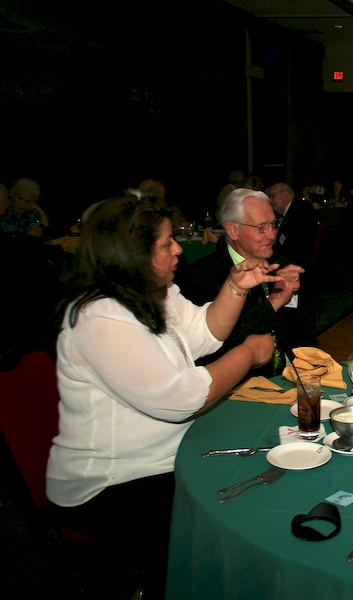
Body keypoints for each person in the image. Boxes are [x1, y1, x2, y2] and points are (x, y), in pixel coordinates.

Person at [47, 195, 278, 597]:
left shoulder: (155, 291)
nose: (178, 250)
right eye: (167, 243)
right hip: (112, 483)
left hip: (166, 457)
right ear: (132, 254)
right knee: (226, 523)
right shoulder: (100, 318)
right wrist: (247, 355)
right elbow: (181, 399)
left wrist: (236, 285)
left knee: (254, 477)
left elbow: (206, 333)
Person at [177, 188, 318, 372]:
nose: (271, 235)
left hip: (292, 377)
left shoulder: (284, 267)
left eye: (273, 224)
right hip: (239, 386)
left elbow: (306, 335)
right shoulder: (205, 276)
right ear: (234, 231)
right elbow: (219, 347)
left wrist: (315, 372)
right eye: (261, 227)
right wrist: (274, 302)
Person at [268, 181, 320, 269]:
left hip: (294, 266)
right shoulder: (295, 209)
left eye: (273, 196)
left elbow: (292, 247)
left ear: (285, 193)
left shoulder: (300, 211)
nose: (271, 200)